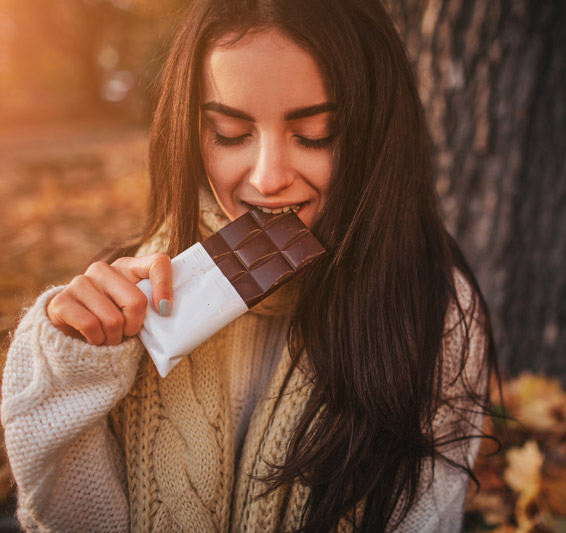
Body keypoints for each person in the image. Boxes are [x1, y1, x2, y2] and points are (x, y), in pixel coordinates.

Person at [1, 0, 496, 531]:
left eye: (315, 134)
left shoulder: (433, 314)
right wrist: (70, 363)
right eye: (231, 134)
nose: (268, 177)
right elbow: (66, 514)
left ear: (377, 133)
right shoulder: (134, 294)